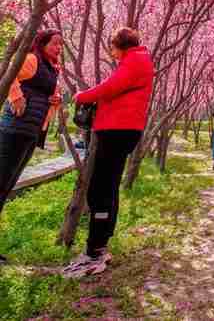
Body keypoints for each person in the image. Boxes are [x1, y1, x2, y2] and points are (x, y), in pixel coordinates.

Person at [63, 27, 154, 278]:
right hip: (120, 129)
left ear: (120, 45)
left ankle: (94, 252)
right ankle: (100, 246)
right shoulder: (137, 59)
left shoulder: (135, 60)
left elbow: (111, 86)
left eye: (113, 48)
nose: (112, 54)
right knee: (108, 187)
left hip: (118, 130)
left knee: (100, 189)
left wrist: (82, 96)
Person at [0, 30, 62, 229]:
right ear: (42, 44)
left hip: (31, 132)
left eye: (61, 44)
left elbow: (50, 95)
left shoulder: (51, 69)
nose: (58, 48)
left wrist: (56, 100)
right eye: (54, 43)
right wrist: (16, 97)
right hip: (14, 129)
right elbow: (10, 73)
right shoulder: (32, 59)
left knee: (7, 185)